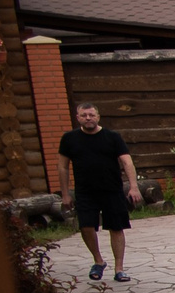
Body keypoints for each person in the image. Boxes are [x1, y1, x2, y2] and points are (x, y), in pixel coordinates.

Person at [55, 102, 142, 282]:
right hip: (85, 192)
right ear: (78, 117)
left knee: (116, 227)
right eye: (84, 115)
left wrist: (133, 187)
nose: (88, 118)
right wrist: (65, 194)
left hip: (112, 190)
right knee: (86, 226)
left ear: (98, 117)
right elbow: (62, 167)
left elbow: (127, 162)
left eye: (91, 115)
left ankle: (119, 269)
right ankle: (98, 261)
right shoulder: (69, 139)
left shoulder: (112, 137)